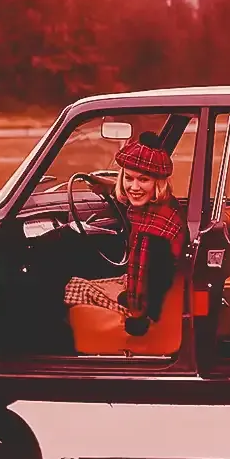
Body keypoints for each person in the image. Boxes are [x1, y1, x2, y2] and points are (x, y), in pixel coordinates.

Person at [63, 131, 186, 336]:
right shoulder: (158, 208)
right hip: (137, 291)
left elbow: (160, 282)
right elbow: (131, 196)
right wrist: (109, 188)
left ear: (158, 183)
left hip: (144, 312)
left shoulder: (156, 234)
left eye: (143, 180)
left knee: (72, 288)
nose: (134, 187)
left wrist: (141, 318)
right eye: (128, 178)